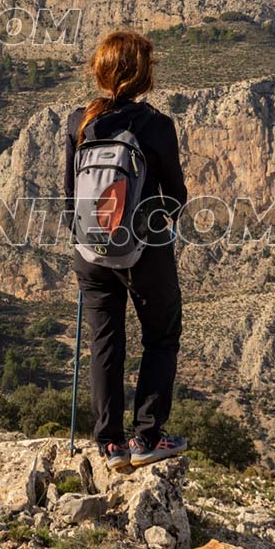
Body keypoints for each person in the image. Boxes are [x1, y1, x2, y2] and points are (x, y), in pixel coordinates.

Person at [63, 29, 189, 470]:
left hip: (89, 249)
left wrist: (88, 240)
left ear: (100, 71)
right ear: (143, 75)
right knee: (161, 335)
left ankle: (110, 445)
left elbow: (69, 195)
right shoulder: (156, 125)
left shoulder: (79, 121)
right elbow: (175, 196)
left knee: (105, 342)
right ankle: (148, 437)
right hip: (145, 247)